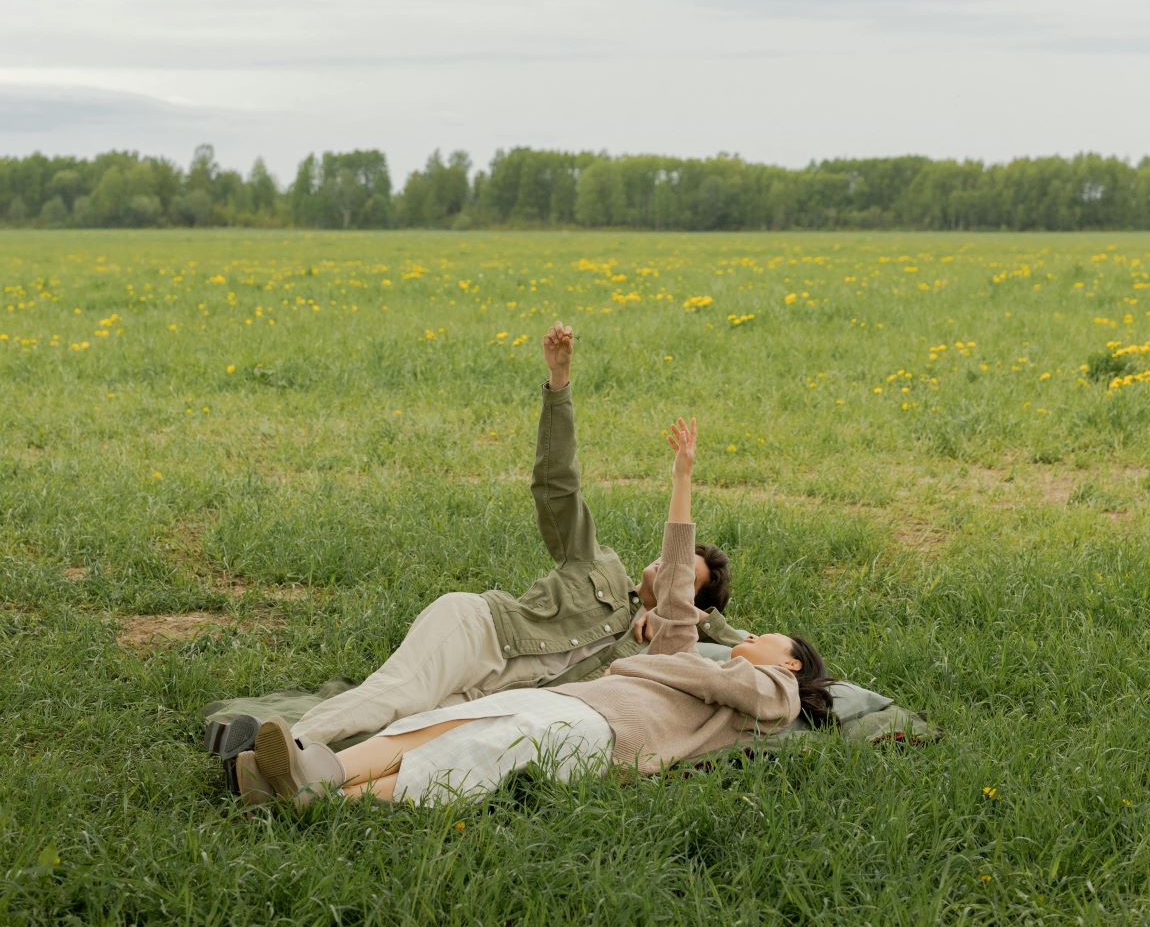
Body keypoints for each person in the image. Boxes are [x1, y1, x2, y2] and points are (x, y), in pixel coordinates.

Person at [219, 324, 738, 790]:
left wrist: (685, 621)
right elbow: (557, 487)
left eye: (683, 577)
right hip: (482, 634)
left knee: (406, 731)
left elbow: (737, 655)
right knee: (393, 695)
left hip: (500, 695)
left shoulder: (654, 656)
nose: (667, 569)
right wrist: (559, 385)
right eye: (675, 557)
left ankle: (284, 774)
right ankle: (274, 751)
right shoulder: (601, 563)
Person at [239, 413, 832, 809]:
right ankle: (307, 769)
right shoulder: (663, 635)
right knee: (425, 725)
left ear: (791, 665)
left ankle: (314, 794)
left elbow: (726, 647)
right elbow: (673, 574)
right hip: (548, 684)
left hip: (604, 728)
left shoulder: (765, 689)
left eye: (770, 639)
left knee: (468, 751)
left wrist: (717, 636)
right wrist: (683, 477)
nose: (755, 638)